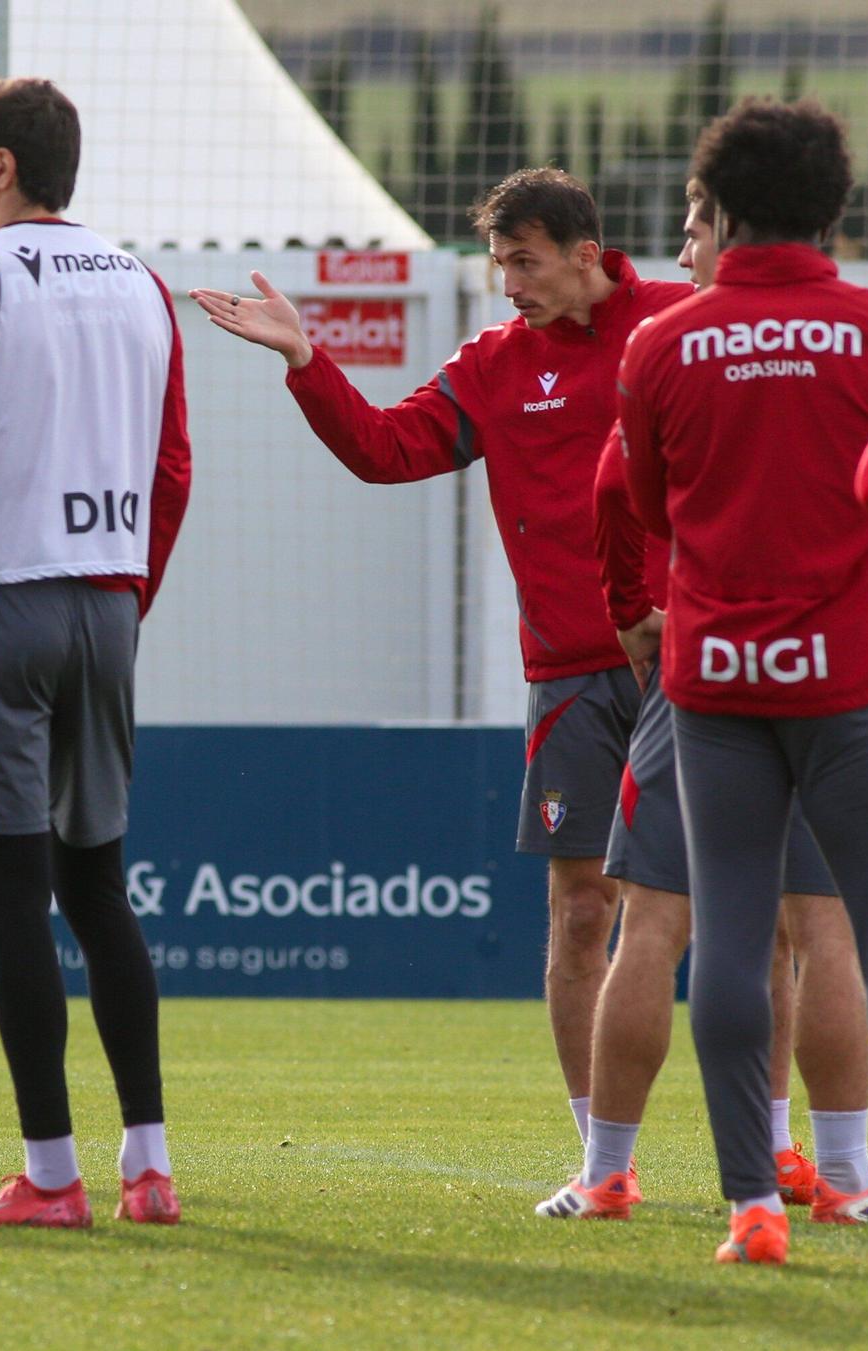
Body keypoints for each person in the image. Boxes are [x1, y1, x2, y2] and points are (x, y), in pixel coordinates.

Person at [192, 168, 689, 1166]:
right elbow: (383, 449)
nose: (508, 284)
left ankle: (789, 1152)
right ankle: (602, 1162)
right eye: (499, 262)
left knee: (746, 916)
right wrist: (305, 359)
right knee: (579, 912)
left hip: (688, 665)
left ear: (585, 256)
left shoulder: (675, 325)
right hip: (568, 679)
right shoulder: (494, 365)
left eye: (524, 263)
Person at [621, 96, 868, 1267]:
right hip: (857, 685)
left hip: (718, 682)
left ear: (717, 209)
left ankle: (752, 1211)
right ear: (832, 208)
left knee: (728, 939)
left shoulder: (659, 343)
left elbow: (650, 505)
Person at [541, 181, 868, 1224]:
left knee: (657, 926)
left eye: (692, 232)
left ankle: (609, 1173)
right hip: (837, 674)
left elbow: (615, 489)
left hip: (707, 666)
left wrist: (633, 616)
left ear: (733, 228)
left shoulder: (675, 341)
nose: (681, 255)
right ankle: (845, 1176)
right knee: (825, 929)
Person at [0, 77, 191, 1228]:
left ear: (1, 166)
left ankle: (50, 1177)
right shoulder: (141, 284)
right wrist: (125, 600)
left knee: (11, 899)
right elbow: (171, 472)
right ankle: (148, 1168)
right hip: (106, 606)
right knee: (98, 886)